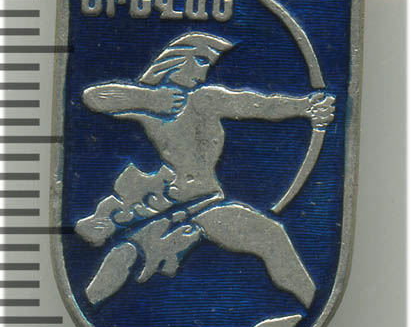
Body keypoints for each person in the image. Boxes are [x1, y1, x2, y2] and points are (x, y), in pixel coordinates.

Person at [79, 32, 335, 308]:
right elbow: (93, 97)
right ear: (177, 60)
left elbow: (257, 104)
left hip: (205, 201)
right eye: (200, 60)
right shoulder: (154, 105)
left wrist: (305, 107)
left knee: (269, 235)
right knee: (127, 253)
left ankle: (310, 304)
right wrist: (151, 98)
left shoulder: (205, 98)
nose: (203, 71)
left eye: (207, 63)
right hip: (169, 201)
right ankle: (89, 302)